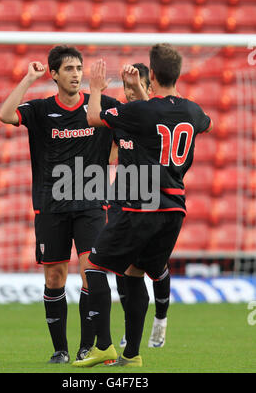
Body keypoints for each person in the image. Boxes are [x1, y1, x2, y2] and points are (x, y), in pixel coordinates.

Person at [0, 45, 145, 364]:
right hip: (51, 205)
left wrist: (134, 90)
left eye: (79, 68)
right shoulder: (40, 110)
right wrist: (27, 79)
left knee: (91, 272)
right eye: (68, 69)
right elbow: (5, 114)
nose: (76, 74)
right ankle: (60, 350)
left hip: (92, 204)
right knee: (55, 278)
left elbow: (136, 130)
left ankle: (87, 347)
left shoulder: (101, 105)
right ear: (53, 74)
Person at [72, 43, 213, 368]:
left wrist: (94, 88)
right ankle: (132, 355)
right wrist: (139, 90)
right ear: (176, 73)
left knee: (92, 266)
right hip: (175, 209)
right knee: (135, 273)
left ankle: (104, 345)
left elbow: (93, 117)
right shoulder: (192, 110)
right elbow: (208, 125)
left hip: (141, 205)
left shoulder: (141, 112)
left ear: (153, 73)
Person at [115, 62, 171, 349]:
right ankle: (131, 327)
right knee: (120, 268)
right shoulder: (121, 118)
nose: (130, 91)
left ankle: (160, 320)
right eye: (126, 86)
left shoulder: (158, 120)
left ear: (149, 88)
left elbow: (154, 118)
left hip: (154, 200)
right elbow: (110, 153)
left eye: (136, 86)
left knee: (156, 266)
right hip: (123, 199)